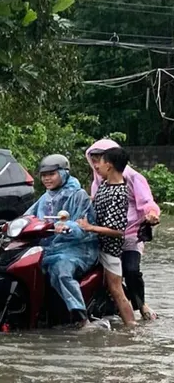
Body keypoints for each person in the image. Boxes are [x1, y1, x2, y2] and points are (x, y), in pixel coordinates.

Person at [86, 138, 161, 321]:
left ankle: (141, 306)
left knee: (131, 271)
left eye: (100, 159)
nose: (96, 164)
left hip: (128, 235)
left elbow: (147, 202)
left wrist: (151, 214)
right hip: (103, 236)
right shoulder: (99, 182)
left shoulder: (131, 179)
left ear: (110, 161)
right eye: (93, 159)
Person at [23, 154, 99, 326]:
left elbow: (85, 225)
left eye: (51, 174)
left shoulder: (78, 195)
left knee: (61, 269)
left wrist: (67, 226)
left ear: (64, 173)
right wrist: (14, 224)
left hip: (78, 248)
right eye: (43, 175)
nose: (47, 178)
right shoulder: (46, 196)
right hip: (52, 247)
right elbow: (29, 215)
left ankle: (81, 317)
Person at [78, 147, 137, 326]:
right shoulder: (105, 184)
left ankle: (132, 328)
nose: (97, 166)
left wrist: (90, 227)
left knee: (116, 289)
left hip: (109, 248)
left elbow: (118, 230)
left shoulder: (119, 193)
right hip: (96, 244)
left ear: (109, 166)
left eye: (100, 163)